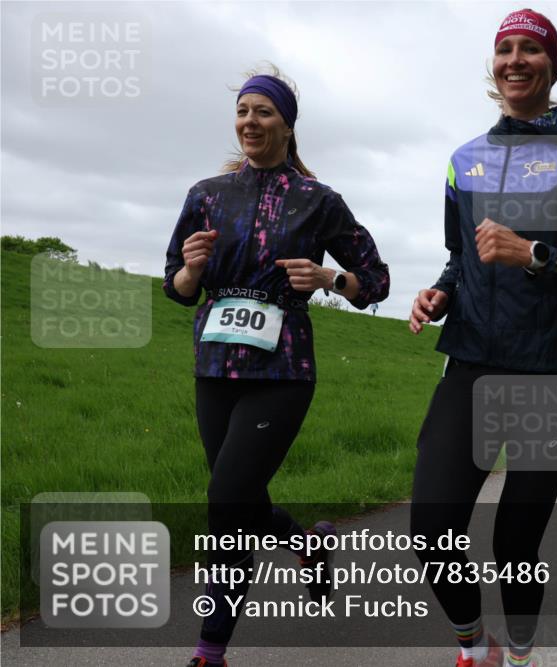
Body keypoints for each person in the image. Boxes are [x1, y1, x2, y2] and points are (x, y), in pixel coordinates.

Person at [408, 9, 557, 667]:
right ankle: (477, 645)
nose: (516, 60)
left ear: (552, 67)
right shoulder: (462, 161)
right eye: (506, 50)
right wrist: (441, 291)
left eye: (532, 49)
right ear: (493, 65)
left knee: (515, 544)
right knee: (432, 529)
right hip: (470, 363)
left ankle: (524, 653)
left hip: (551, 372)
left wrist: (533, 255)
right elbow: (460, 255)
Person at [162, 66, 390, 667]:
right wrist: (189, 268)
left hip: (282, 371)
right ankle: (310, 545)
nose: (249, 122)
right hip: (213, 365)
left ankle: (210, 651)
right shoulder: (206, 194)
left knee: (226, 501)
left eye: (263, 112)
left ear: (287, 124)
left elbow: (377, 281)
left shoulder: (318, 201)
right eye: (243, 111)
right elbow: (178, 287)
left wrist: (329, 278)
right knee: (237, 497)